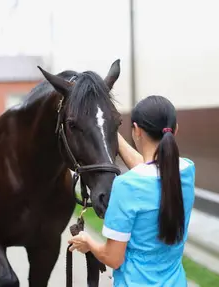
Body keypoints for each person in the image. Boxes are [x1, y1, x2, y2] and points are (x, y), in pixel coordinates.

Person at [68, 95, 196, 286]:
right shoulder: (186, 171)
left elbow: (112, 258)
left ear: (136, 130)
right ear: (175, 129)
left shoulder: (126, 186)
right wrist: (111, 135)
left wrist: (88, 243)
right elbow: (152, 168)